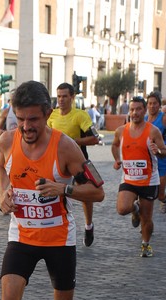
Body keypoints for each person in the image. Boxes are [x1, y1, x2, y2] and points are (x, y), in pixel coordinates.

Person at [0, 81, 104, 300]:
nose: (26, 127)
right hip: (23, 234)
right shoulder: (6, 140)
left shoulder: (65, 147)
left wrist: (64, 189)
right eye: (21, 120)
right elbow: (1, 168)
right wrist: (2, 193)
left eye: (33, 120)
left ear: (47, 114)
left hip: (58, 237)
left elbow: (98, 191)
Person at [111, 96, 166, 258]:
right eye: (132, 109)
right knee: (122, 209)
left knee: (147, 217)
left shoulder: (152, 131)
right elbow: (115, 145)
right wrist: (117, 160)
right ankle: (134, 209)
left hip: (149, 180)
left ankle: (145, 244)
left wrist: (157, 150)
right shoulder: (121, 131)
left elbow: (164, 153)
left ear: (144, 111)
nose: (134, 113)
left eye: (138, 109)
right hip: (128, 179)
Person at [48, 83, 101, 247]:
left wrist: (72, 142)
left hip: (79, 160)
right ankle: (56, 228)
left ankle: (88, 225)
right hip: (57, 162)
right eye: (59, 96)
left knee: (87, 193)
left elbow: (95, 138)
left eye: (65, 96)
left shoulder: (81, 115)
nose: (61, 100)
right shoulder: (52, 115)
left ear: (72, 97)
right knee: (54, 195)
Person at [145, 91, 166, 213]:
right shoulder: (144, 119)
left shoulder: (165, 118)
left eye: (155, 103)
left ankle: (165, 199)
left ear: (159, 105)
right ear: (147, 105)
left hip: (161, 158)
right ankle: (139, 212)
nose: (152, 106)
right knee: (143, 191)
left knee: (160, 195)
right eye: (150, 103)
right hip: (146, 159)